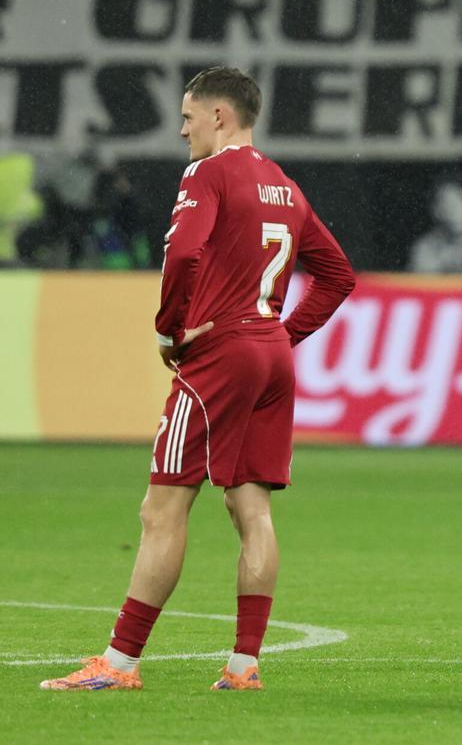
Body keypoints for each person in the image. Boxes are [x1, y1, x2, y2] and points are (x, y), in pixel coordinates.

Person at [40, 67, 356, 691]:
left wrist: (168, 330)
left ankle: (120, 663)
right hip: (268, 354)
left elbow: (182, 253)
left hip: (219, 355)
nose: (181, 130)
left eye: (188, 117)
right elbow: (339, 275)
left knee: (161, 509)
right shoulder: (285, 188)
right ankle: (243, 666)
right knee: (252, 510)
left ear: (220, 116)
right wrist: (279, 336)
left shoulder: (208, 174)